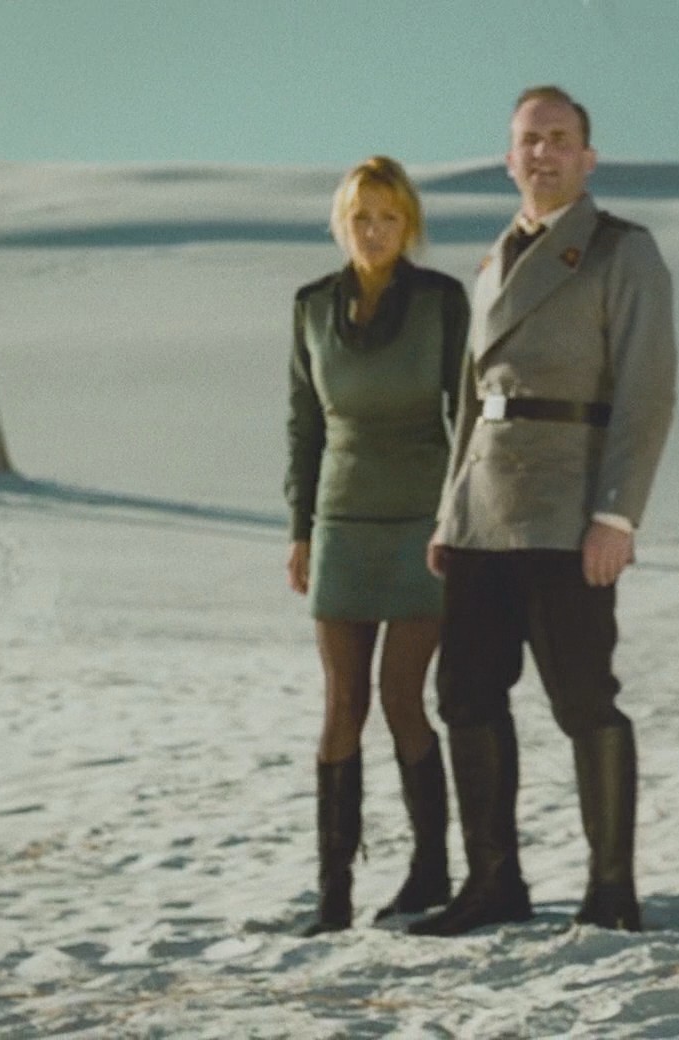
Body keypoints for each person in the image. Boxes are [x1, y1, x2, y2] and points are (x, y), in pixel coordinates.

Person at [409, 85, 677, 938]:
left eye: (560, 139)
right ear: (508, 157)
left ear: (587, 158)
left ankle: (611, 891)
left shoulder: (620, 251)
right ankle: (494, 884)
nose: (543, 153)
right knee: (465, 697)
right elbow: (470, 397)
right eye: (529, 140)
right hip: (483, 512)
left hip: (568, 510)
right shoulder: (493, 258)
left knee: (584, 699)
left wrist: (618, 517)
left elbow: (647, 392)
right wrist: (450, 515)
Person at [286, 156, 469, 935]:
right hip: (340, 523)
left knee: (402, 699)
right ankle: (333, 893)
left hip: (423, 525)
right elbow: (305, 424)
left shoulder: (440, 301)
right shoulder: (310, 307)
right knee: (341, 706)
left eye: (389, 217)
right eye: (361, 217)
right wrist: (300, 530)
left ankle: (430, 871)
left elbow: (467, 416)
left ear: (409, 225)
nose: (374, 230)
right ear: (342, 223)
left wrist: (461, 520)